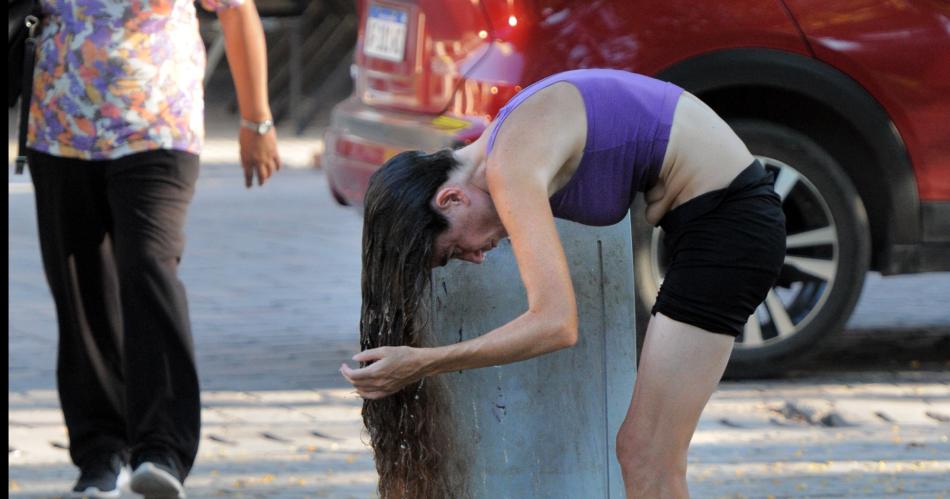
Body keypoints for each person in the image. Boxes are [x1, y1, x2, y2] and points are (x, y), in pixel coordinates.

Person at [341, 68, 786, 498]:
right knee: (646, 454)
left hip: (729, 225)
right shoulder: (507, 144)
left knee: (647, 456)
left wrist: (423, 362)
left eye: (454, 249)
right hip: (712, 222)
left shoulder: (508, 163)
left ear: (451, 198)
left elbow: (555, 324)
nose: (475, 257)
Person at [24, 1, 280, 497]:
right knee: (81, 290)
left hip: (157, 123)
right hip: (59, 128)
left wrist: (257, 120)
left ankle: (162, 449)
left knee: (148, 265)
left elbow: (235, 9)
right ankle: (100, 454)